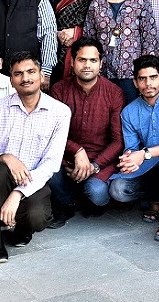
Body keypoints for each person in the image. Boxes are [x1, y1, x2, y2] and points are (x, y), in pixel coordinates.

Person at [0, 52, 70, 263]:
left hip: (32, 180)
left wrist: (17, 194)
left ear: (41, 76)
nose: (25, 78)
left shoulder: (60, 112)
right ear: (11, 79)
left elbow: (51, 163)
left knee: (39, 217)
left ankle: (19, 230)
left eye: (30, 72)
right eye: (18, 74)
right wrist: (5, 157)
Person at [48, 37, 124, 226]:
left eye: (93, 60)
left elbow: (118, 141)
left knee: (97, 193)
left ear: (100, 63)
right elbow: (51, 132)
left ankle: (87, 198)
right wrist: (77, 151)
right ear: (72, 63)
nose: (87, 65)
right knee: (50, 171)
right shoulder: (58, 90)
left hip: (100, 161)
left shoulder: (114, 93)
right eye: (82, 60)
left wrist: (94, 166)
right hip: (66, 160)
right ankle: (67, 205)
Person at [109, 55, 159, 222]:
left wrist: (145, 153)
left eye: (153, 78)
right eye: (142, 79)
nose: (148, 84)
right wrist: (129, 159)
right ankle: (156, 198)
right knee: (117, 189)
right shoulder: (129, 112)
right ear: (135, 83)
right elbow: (131, 146)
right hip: (149, 167)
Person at [83, 0, 159, 102]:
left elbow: (149, 41)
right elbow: (89, 39)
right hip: (102, 74)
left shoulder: (140, 3)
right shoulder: (96, 5)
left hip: (131, 75)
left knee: (131, 115)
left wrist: (144, 76)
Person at [48, 0, 100, 84]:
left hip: (87, 56)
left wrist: (77, 33)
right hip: (59, 55)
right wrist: (58, 34)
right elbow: (48, 26)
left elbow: (102, 27)